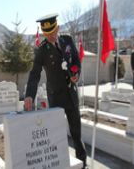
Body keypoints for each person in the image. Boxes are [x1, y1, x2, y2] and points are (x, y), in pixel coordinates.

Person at [24, 13, 87, 168]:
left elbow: (77, 60)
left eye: (52, 32)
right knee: (57, 135)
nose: (50, 36)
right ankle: (61, 163)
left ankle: (83, 163)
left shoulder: (67, 40)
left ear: (58, 28)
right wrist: (29, 96)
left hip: (71, 95)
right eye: (47, 34)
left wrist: (76, 74)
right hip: (56, 98)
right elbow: (34, 74)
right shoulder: (41, 50)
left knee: (76, 134)